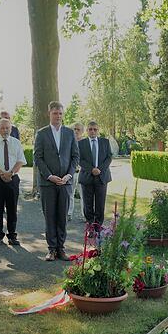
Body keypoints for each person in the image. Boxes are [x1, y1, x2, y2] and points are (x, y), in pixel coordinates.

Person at [34, 101, 79, 261]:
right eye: (55, 113)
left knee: (62, 216)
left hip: (65, 182)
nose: (58, 116)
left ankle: (61, 248)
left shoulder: (69, 133)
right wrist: (49, 176)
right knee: (50, 216)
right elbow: (37, 158)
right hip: (48, 183)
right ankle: (51, 249)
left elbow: (75, 157)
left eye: (60, 113)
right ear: (49, 114)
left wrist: (69, 175)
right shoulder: (42, 133)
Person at [0, 118, 26, 247]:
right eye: (2, 128)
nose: (5, 130)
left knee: (12, 208)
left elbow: (20, 161)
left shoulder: (16, 143)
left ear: (11, 129)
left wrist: (11, 173)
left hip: (12, 179)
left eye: (7, 128)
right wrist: (2, 174)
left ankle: (12, 236)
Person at [78, 121, 112, 228]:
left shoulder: (105, 142)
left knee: (100, 203)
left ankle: (98, 227)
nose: (93, 131)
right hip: (87, 177)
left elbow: (109, 157)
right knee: (88, 204)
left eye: (95, 129)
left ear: (98, 130)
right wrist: (92, 169)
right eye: (90, 129)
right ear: (87, 130)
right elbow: (79, 159)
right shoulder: (81, 143)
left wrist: (99, 169)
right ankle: (90, 226)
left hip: (102, 177)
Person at [67, 122, 86, 222]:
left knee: (84, 195)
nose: (76, 131)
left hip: (83, 172)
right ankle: (69, 213)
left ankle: (84, 215)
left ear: (82, 131)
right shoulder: (68, 142)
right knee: (70, 194)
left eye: (78, 129)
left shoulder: (86, 143)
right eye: (74, 129)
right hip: (71, 172)